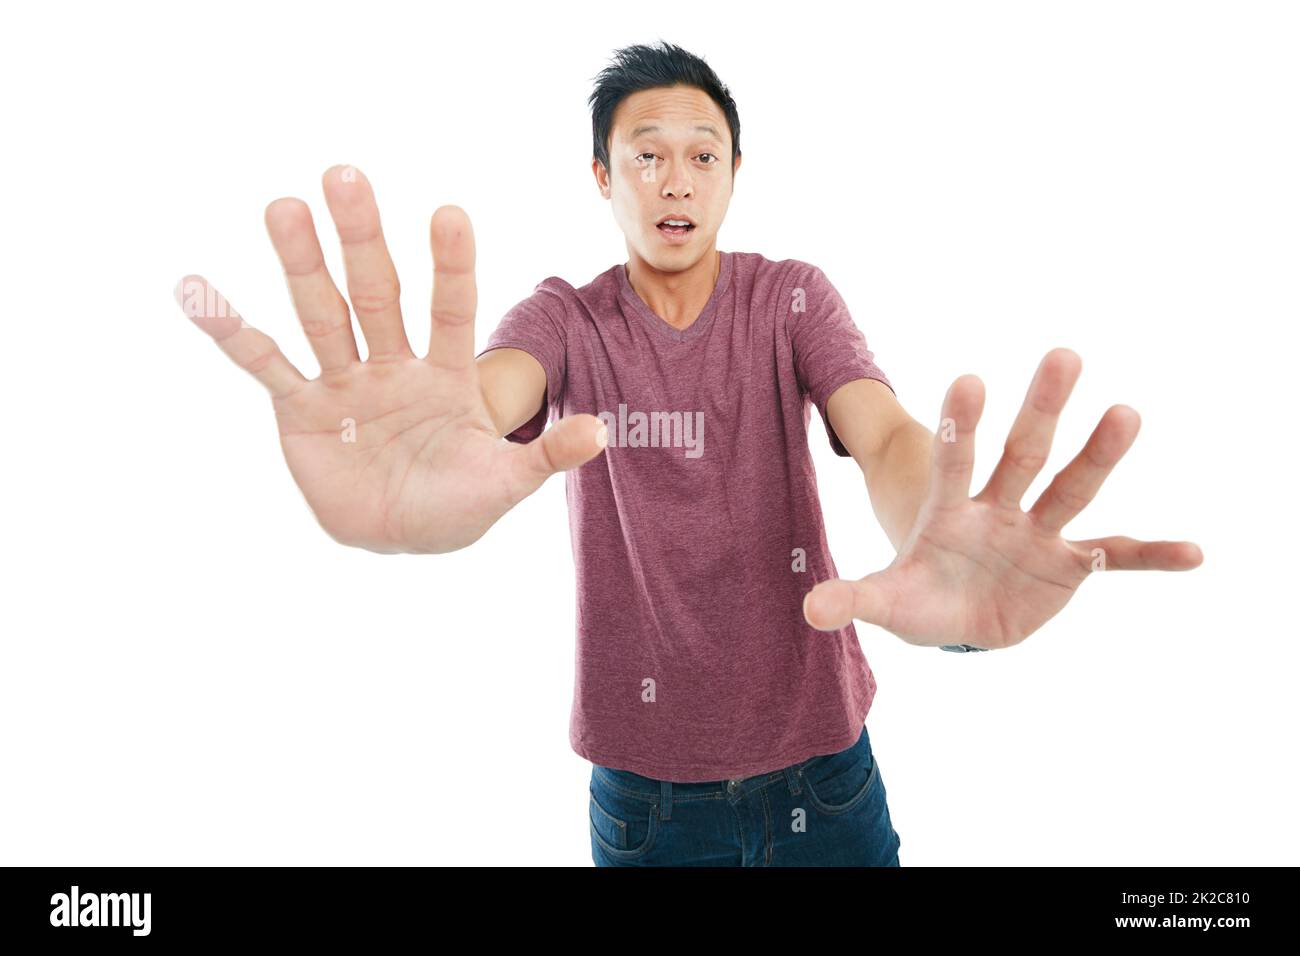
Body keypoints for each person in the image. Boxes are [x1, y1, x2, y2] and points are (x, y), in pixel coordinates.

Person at [173, 40, 1203, 866]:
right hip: (646, 801)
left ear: (735, 174)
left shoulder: (789, 295)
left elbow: (880, 430)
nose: (677, 180)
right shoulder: (564, 317)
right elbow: (490, 399)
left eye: (703, 154)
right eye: (646, 155)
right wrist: (434, 444)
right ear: (601, 175)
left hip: (826, 769)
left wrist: (925, 513)